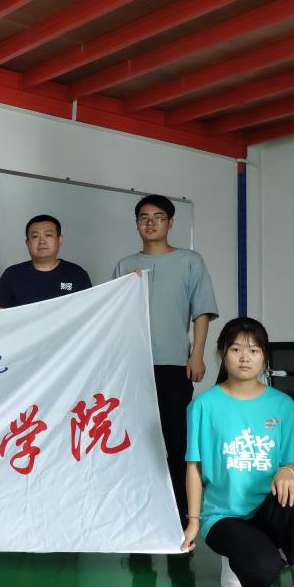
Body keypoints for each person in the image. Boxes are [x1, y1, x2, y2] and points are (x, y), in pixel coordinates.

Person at [181, 317, 294, 587]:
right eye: (236, 349)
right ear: (222, 353)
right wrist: (193, 522)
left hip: (267, 509)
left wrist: (288, 472)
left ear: (264, 356)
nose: (245, 357)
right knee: (264, 570)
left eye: (254, 350)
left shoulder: (282, 405)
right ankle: (235, 556)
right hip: (224, 516)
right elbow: (194, 467)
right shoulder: (203, 406)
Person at [114, 194, 217, 524]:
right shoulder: (124, 266)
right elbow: (113, 315)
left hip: (173, 364)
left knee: (175, 440)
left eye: (158, 217)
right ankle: (138, 513)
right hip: (133, 366)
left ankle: (181, 516)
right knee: (134, 441)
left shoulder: (190, 260)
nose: (151, 222)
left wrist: (196, 354)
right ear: (136, 224)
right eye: (144, 217)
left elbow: (201, 311)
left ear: (170, 223)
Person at [0, 214, 91, 309]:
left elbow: (88, 312)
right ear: (27, 243)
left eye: (48, 235)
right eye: (35, 236)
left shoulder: (77, 274)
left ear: (59, 240)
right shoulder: (12, 274)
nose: (42, 241)